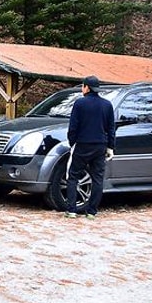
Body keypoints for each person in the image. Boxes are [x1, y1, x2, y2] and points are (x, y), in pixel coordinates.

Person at [65, 75, 116, 219]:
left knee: (73, 175)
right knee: (98, 178)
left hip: (82, 144)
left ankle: (72, 210)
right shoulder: (107, 105)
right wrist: (110, 146)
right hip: (100, 145)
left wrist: (72, 142)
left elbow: (73, 126)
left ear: (86, 87)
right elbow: (111, 128)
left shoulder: (80, 103)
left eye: (83, 86)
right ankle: (92, 211)